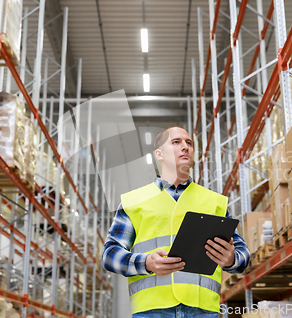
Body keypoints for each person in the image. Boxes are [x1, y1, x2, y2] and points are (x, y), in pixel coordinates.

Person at [102, 126, 250, 317]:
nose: (185, 147)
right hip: (152, 311)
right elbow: (110, 254)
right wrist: (146, 262)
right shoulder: (134, 201)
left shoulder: (214, 202)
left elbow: (242, 254)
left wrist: (231, 259)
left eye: (189, 143)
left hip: (203, 310)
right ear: (159, 154)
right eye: (176, 142)